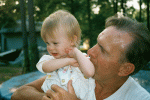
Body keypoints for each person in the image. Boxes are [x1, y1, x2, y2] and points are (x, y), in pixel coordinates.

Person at [11, 15, 150, 100]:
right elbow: (18, 94)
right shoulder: (77, 71)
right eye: (97, 43)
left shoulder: (139, 98)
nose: (90, 52)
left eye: (103, 50)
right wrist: (47, 98)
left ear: (125, 69)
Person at [36, 10, 95, 100]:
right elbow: (45, 67)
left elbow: (90, 72)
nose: (50, 48)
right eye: (47, 43)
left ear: (72, 40)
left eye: (55, 43)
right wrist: (69, 61)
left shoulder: (80, 58)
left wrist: (75, 51)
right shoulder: (49, 60)